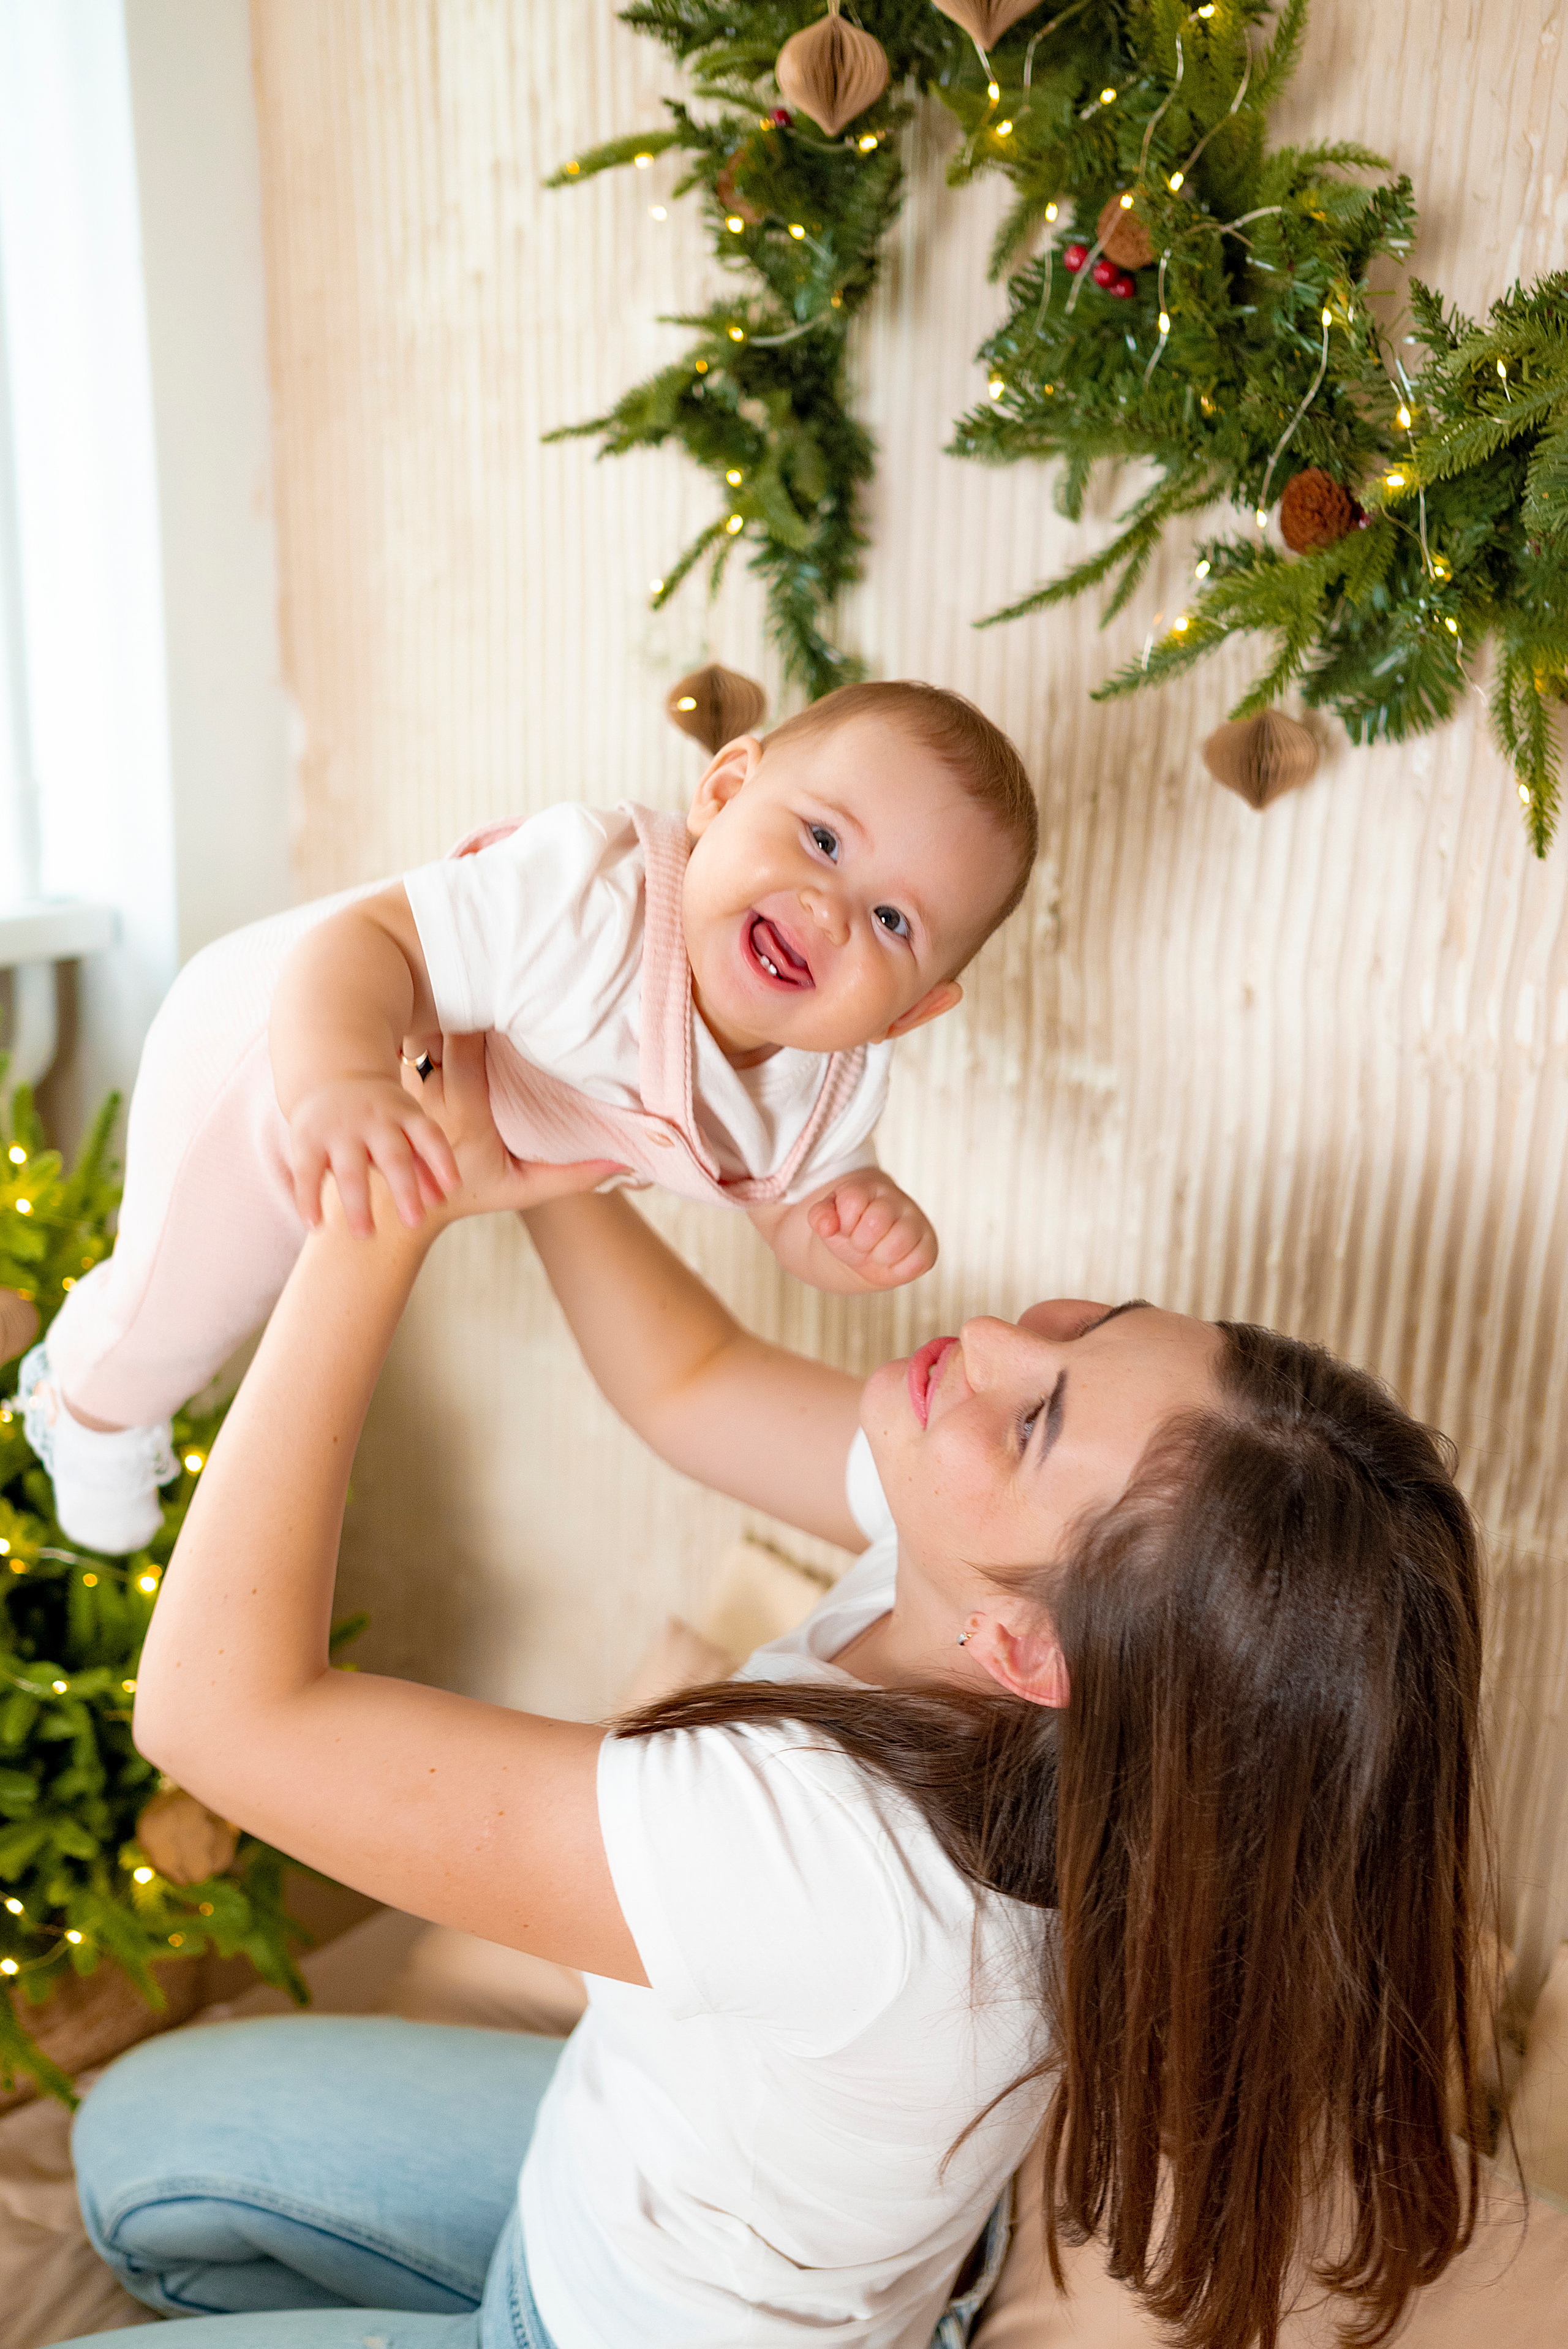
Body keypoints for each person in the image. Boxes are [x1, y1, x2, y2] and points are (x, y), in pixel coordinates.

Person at [60, 1039, 1491, 2349]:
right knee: (128, 2153)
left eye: (1038, 1414)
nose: (992, 1340)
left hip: (623, 2324)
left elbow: (214, 1715)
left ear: (1029, 1658)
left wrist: (375, 1222)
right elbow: (690, 1379)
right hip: (642, 2170)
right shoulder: (1012, 1626)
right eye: (1089, 1323)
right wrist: (541, 1123)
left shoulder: (823, 1854)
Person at [18, 679, 1036, 1553]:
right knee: (185, 1300)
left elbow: (782, 1201)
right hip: (276, 1037)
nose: (829, 907)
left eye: (894, 921)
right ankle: (87, 1402)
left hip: (411, 1111)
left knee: (276, 1292)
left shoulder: (833, 1082)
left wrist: (842, 1222)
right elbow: (362, 940)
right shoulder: (587, 896)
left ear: (914, 1009)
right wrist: (336, 1083)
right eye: (821, 839)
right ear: (723, 792)